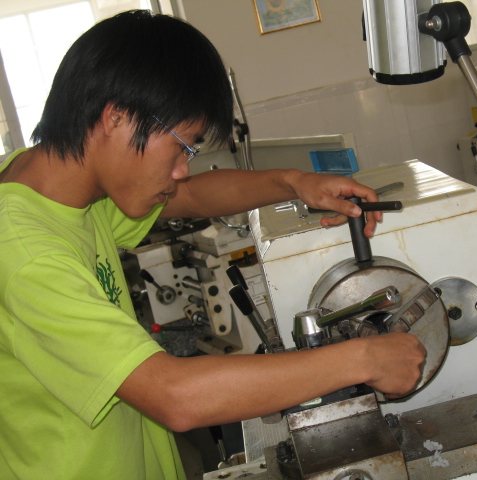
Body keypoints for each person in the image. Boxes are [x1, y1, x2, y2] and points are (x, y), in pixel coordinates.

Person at [0, 10, 427, 480]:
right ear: (115, 116)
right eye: (182, 146)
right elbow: (174, 396)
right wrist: (364, 358)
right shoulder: (25, 252)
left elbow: (189, 196)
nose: (182, 168)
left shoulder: (59, 184)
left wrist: (294, 182)